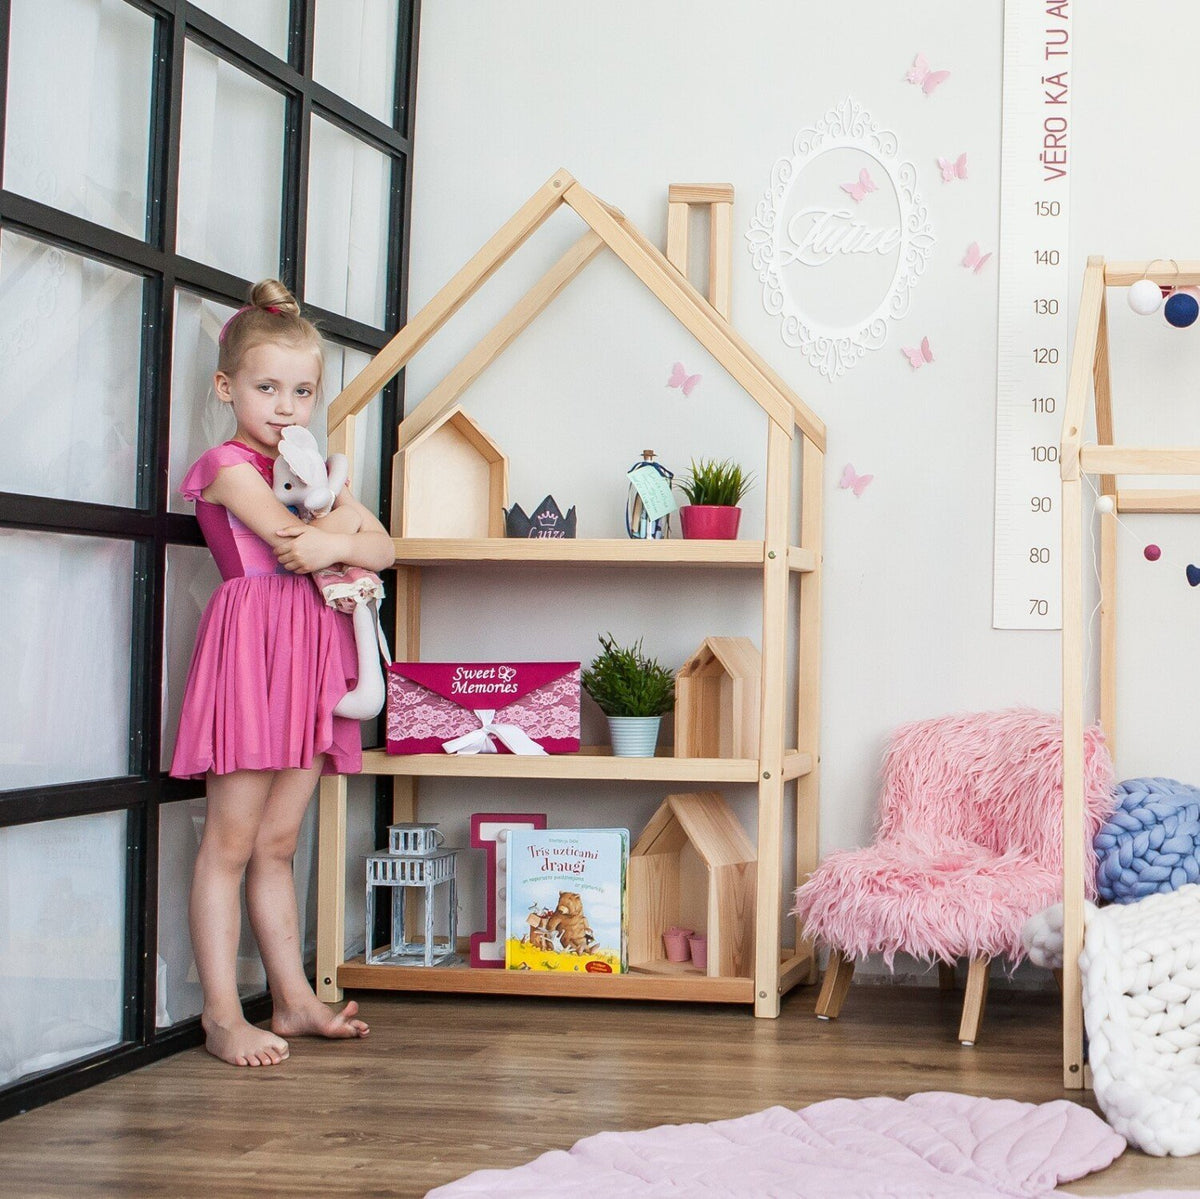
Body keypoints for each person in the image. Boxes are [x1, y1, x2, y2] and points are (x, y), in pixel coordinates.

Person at [170, 279, 395, 1067]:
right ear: (228, 387)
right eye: (267, 387)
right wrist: (341, 533)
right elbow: (295, 541)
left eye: (302, 391)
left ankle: (294, 998)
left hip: (309, 658)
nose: (285, 406)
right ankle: (223, 1016)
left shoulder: (309, 469)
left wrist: (343, 534)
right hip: (253, 655)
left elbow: (387, 548)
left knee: (279, 840)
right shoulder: (229, 466)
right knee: (229, 842)